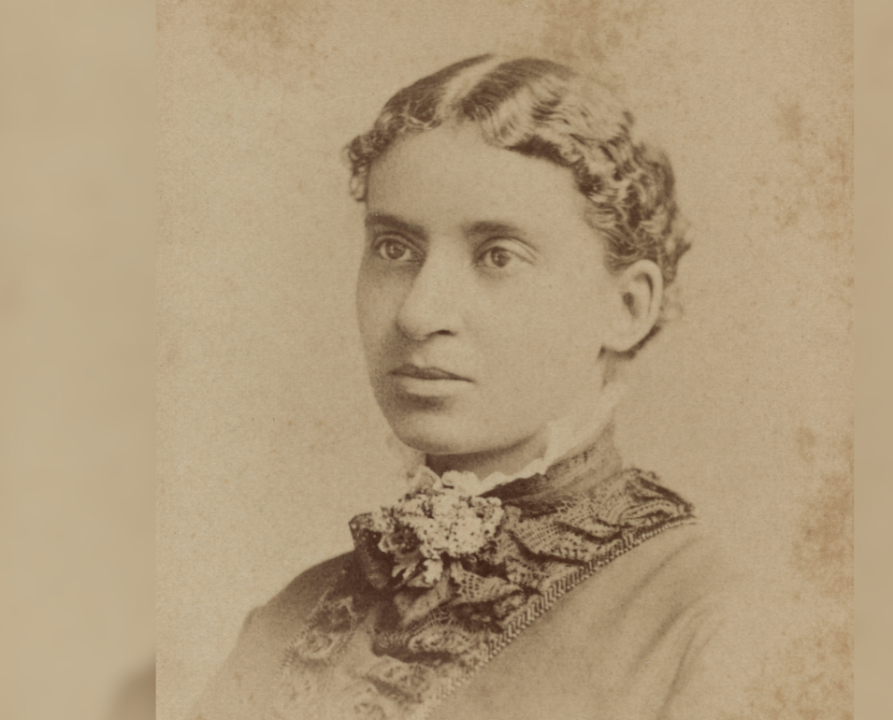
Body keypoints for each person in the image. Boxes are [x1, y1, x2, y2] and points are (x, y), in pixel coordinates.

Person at [189, 54, 778, 720]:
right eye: (393, 247)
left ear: (627, 306)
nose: (418, 312)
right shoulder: (291, 618)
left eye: (498, 255)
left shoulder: (714, 625)